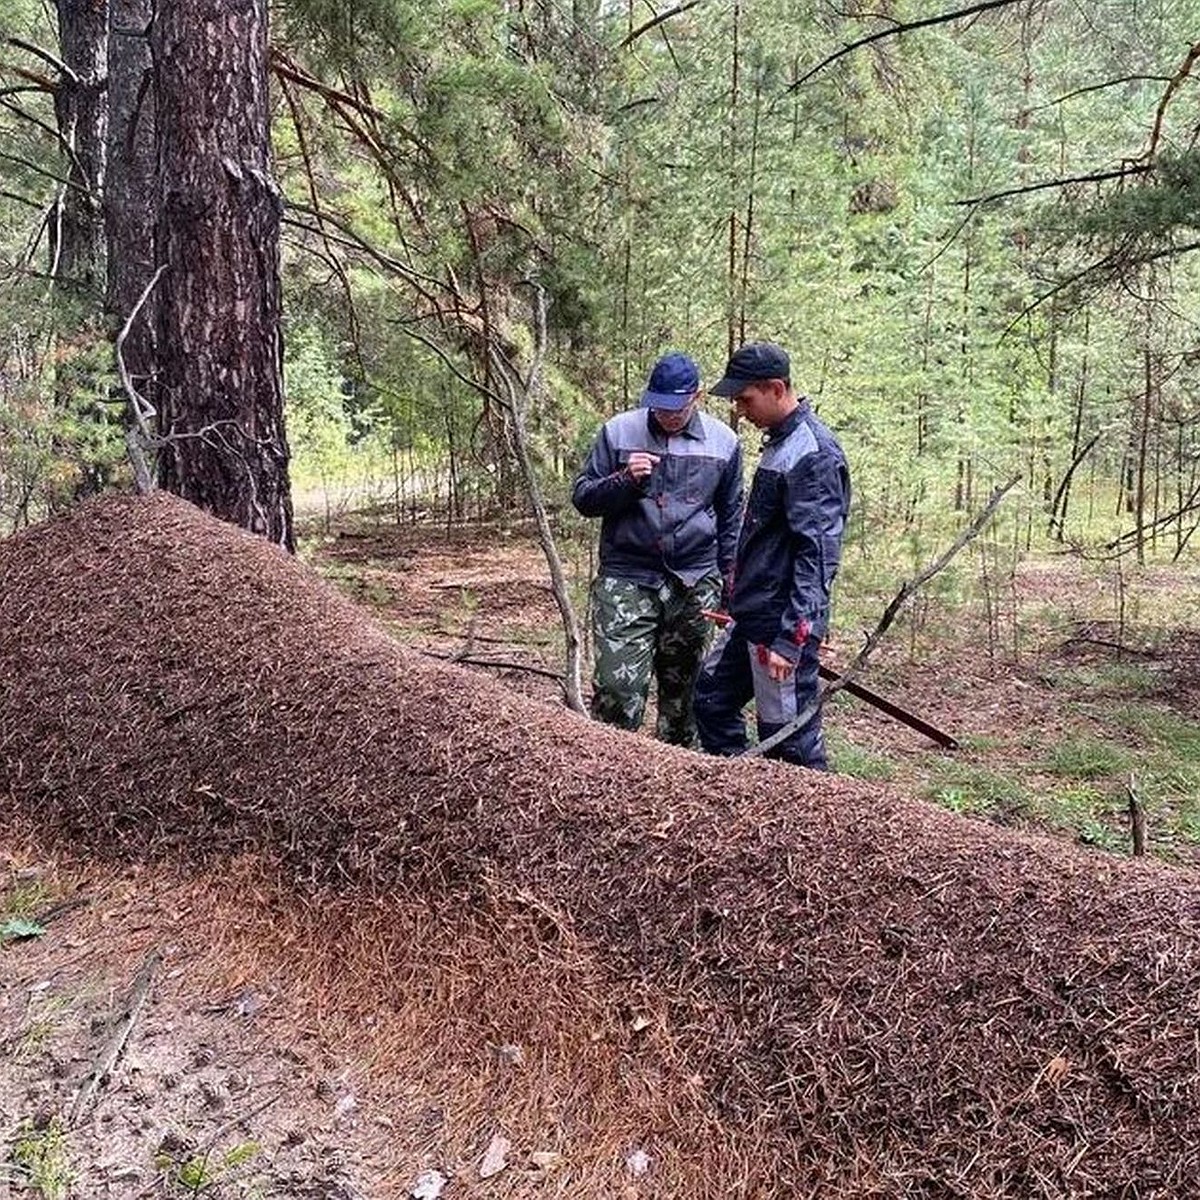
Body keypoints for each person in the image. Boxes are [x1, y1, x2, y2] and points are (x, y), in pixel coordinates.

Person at [572, 352, 744, 746]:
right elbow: (583, 498)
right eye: (658, 406)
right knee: (618, 691)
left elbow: (731, 518)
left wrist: (730, 591)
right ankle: (611, 774)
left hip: (695, 582)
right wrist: (624, 480)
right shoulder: (618, 432)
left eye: (676, 408)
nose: (666, 416)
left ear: (697, 397)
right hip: (628, 578)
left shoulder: (724, 443)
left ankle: (678, 787)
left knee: (685, 700)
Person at [694, 342, 850, 770]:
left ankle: (813, 825)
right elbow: (763, 535)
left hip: (782, 623)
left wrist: (791, 638)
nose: (740, 411)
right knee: (710, 700)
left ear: (777, 388)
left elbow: (816, 556)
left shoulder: (813, 453)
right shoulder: (780, 443)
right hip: (753, 614)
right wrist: (735, 597)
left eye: (746, 399)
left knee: (789, 742)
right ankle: (747, 795)